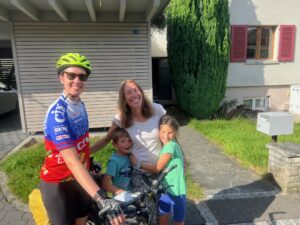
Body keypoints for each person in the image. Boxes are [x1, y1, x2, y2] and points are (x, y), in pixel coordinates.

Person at [39, 53, 124, 225]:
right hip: (58, 183)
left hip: (80, 177)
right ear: (61, 78)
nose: (77, 80)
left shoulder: (80, 105)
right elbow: (71, 161)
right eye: (71, 75)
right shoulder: (57, 113)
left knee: (82, 221)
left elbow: (81, 146)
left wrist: (110, 135)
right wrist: (101, 198)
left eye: (82, 76)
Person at [91, 79, 166, 191]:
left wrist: (177, 156)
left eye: (136, 90)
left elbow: (170, 134)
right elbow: (106, 139)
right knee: (146, 207)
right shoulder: (121, 118)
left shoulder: (157, 109)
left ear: (141, 92)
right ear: (124, 99)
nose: (134, 94)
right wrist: (82, 154)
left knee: (166, 206)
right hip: (140, 172)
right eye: (128, 92)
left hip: (162, 168)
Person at [130, 115, 186, 225]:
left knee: (177, 220)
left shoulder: (171, 146)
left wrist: (138, 163)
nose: (165, 136)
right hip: (166, 188)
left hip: (177, 191)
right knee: (165, 216)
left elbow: (157, 168)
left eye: (170, 132)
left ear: (175, 133)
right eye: (163, 131)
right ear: (159, 130)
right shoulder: (169, 146)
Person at [102, 128, 133, 195]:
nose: (127, 143)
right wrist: (124, 194)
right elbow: (105, 184)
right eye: (123, 141)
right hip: (121, 199)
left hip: (133, 196)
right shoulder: (114, 161)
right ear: (114, 144)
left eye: (129, 140)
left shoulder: (131, 156)